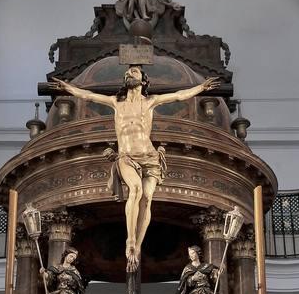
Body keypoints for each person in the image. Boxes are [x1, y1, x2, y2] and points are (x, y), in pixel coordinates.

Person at [50, 68, 218, 270]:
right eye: (128, 72)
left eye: (135, 71)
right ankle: (130, 241)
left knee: (147, 199)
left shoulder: (149, 102)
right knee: (135, 190)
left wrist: (202, 87)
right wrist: (68, 88)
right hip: (127, 156)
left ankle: (136, 247)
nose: (130, 73)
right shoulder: (116, 103)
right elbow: (88, 96)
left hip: (150, 157)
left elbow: (179, 96)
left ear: (143, 81)